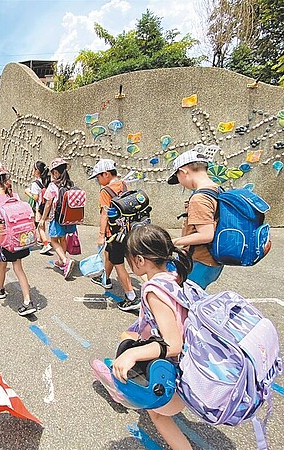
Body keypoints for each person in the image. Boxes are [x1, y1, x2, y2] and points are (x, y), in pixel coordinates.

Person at [113, 224, 194, 450]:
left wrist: (132, 354)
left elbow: (173, 344)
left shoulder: (154, 291)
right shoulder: (173, 277)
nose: (130, 266)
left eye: (130, 261)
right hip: (191, 361)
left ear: (139, 260)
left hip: (177, 371)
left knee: (158, 414)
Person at [0, 162, 36, 317]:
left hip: (4, 241)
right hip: (19, 239)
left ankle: (0, 289)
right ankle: (28, 300)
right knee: (18, 268)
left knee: (1, 265)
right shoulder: (15, 196)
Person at [167, 145, 223, 289]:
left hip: (200, 261)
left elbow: (206, 235)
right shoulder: (216, 189)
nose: (181, 183)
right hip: (212, 261)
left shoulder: (200, 198)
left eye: (178, 177)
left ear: (183, 171)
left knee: (187, 302)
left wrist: (175, 242)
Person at [89, 159, 140, 311]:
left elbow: (105, 213)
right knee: (110, 255)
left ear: (106, 174)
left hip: (114, 233)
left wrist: (100, 234)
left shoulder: (106, 191)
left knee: (119, 263)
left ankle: (131, 296)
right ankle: (105, 278)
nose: (98, 180)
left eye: (98, 176)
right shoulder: (123, 185)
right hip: (128, 230)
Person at [40, 158, 76, 280]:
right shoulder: (70, 184)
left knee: (54, 241)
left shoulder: (52, 185)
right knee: (62, 239)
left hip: (57, 218)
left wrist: (42, 219)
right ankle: (61, 262)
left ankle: (65, 261)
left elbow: (48, 204)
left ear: (55, 172)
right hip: (68, 218)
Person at [26, 161, 52, 255]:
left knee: (40, 226)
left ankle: (46, 244)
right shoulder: (48, 181)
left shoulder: (35, 183)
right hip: (47, 207)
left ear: (37, 171)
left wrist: (27, 192)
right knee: (42, 222)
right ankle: (41, 239)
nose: (32, 171)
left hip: (39, 207)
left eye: (33, 169)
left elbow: (36, 198)